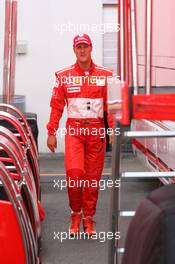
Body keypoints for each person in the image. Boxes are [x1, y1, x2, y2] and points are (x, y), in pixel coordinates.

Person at [46, 33, 113, 236]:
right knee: (75, 175)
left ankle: (89, 218)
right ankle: (75, 213)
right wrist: (51, 131)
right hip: (74, 131)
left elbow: (114, 106)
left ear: (91, 48)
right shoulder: (63, 75)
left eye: (85, 46)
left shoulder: (107, 75)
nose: (82, 50)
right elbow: (56, 105)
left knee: (92, 179)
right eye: (78, 47)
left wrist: (114, 131)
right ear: (74, 50)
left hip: (96, 132)